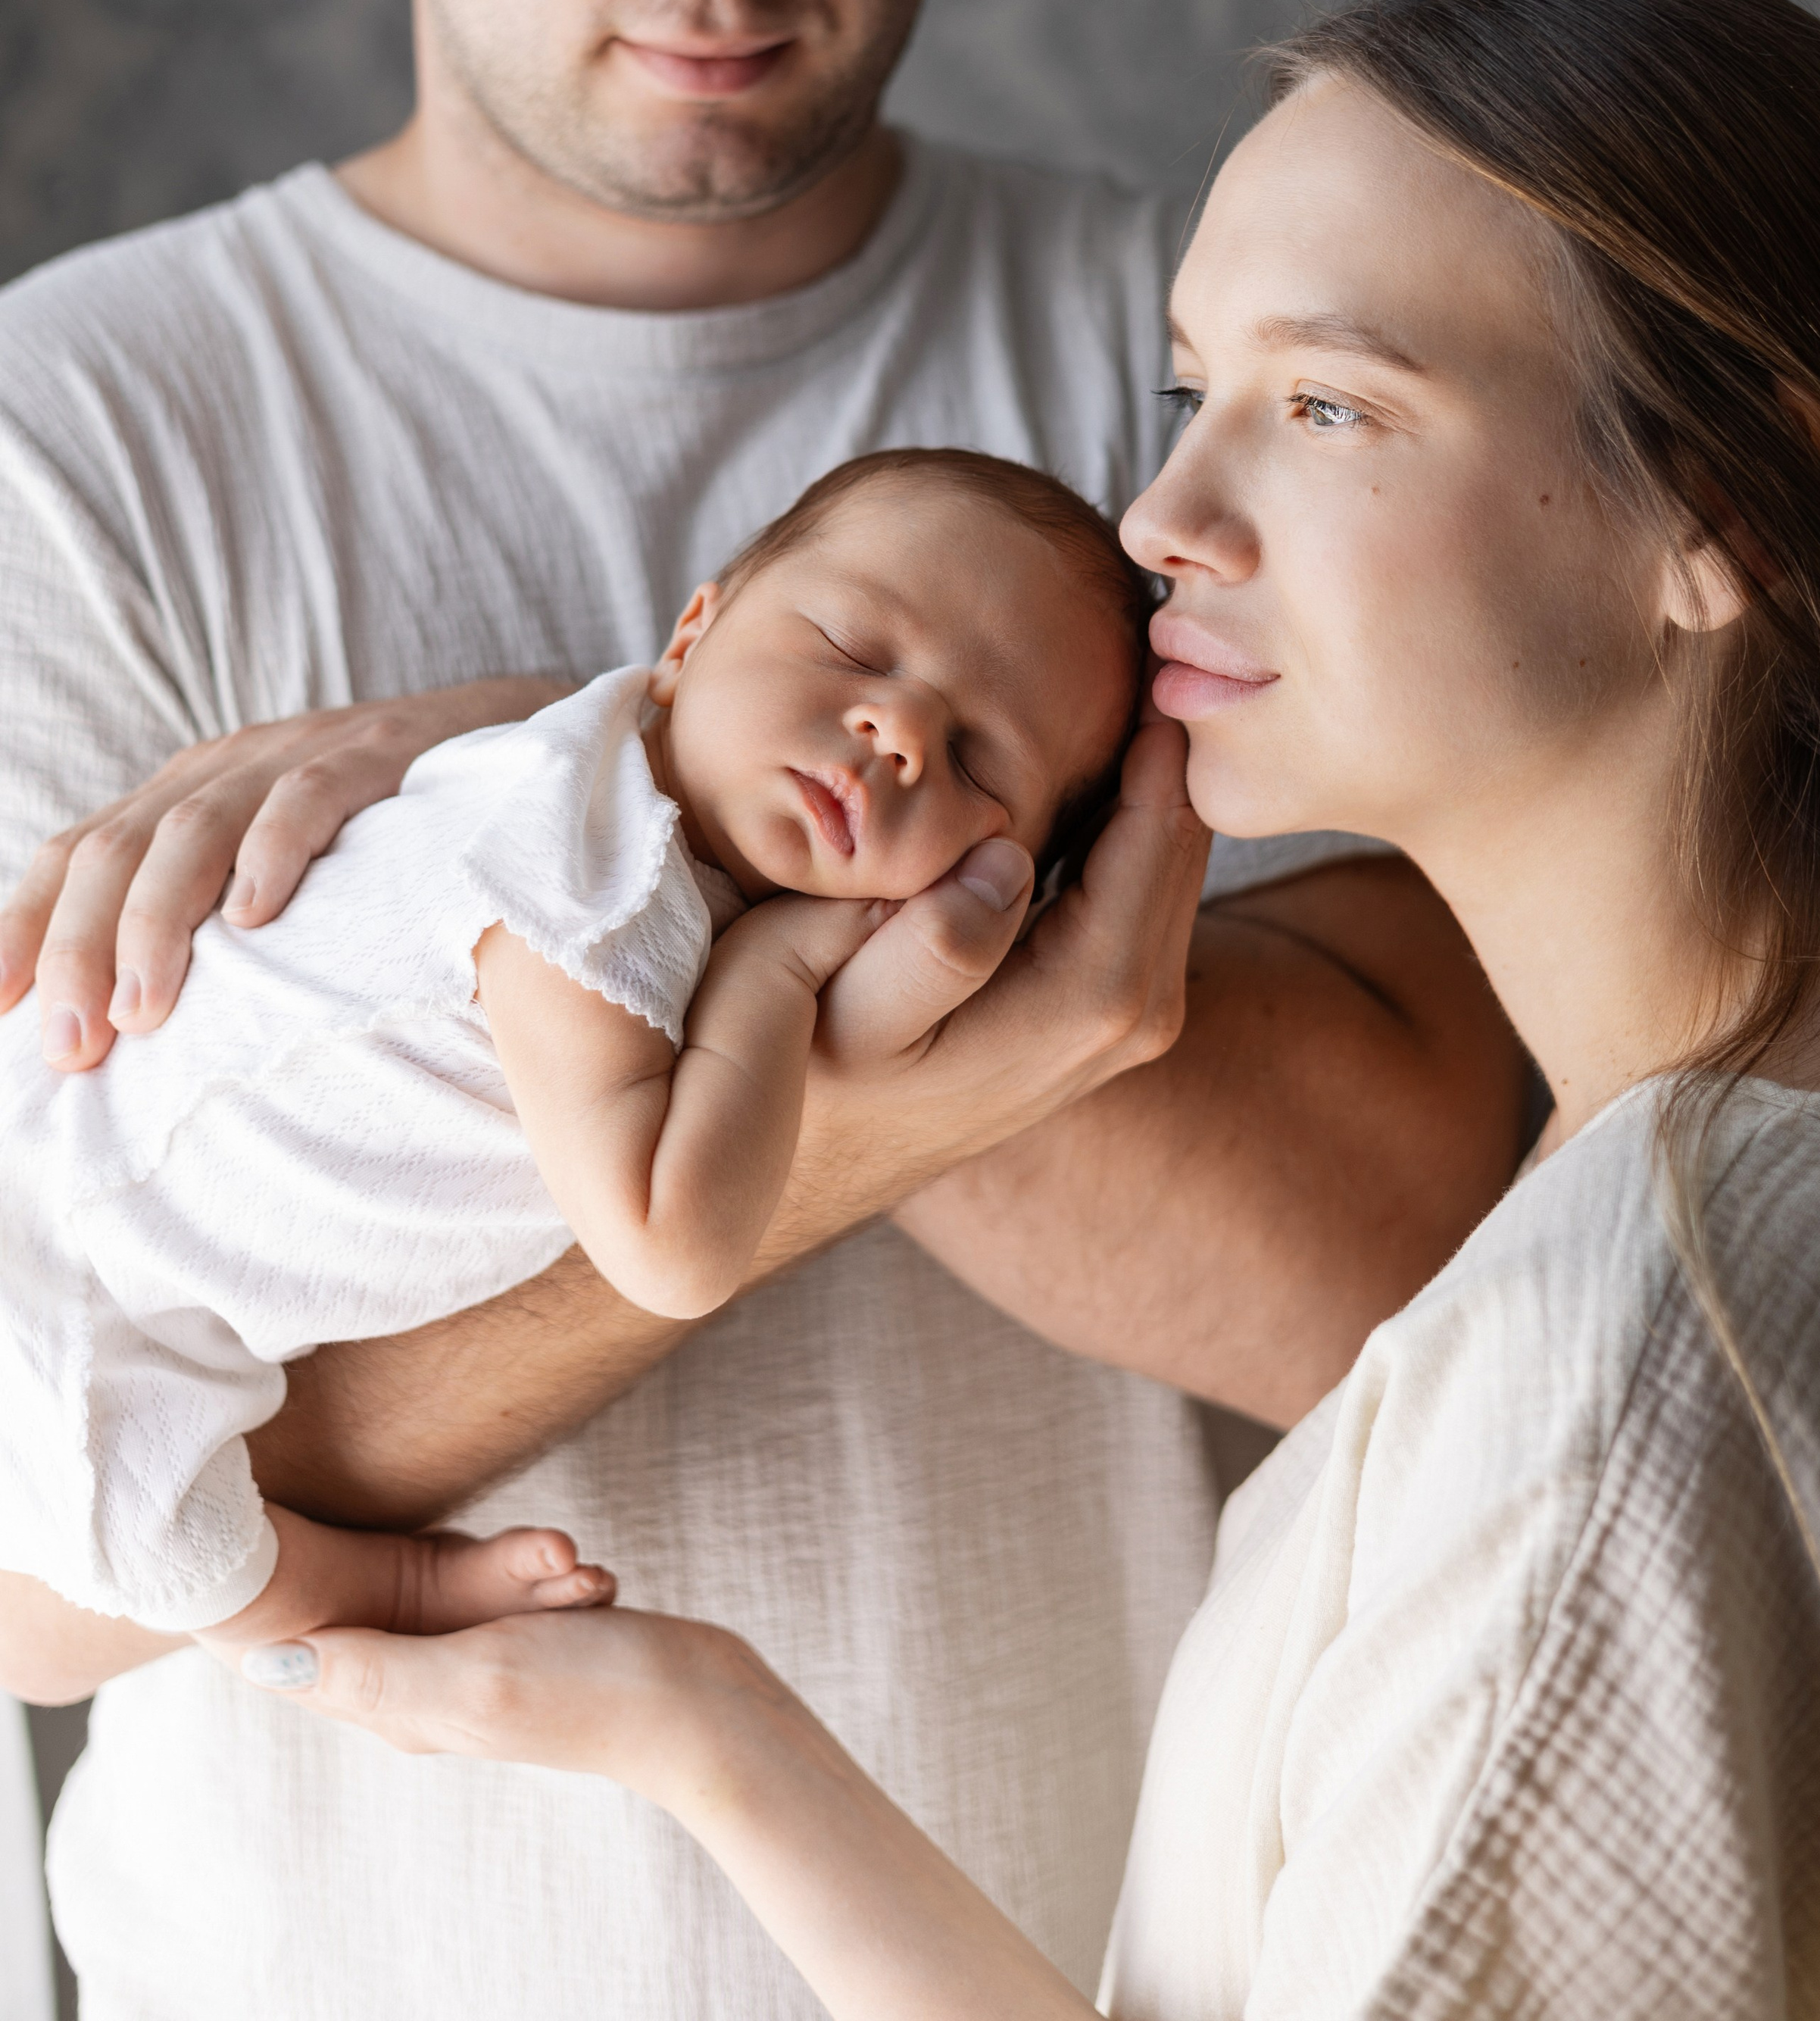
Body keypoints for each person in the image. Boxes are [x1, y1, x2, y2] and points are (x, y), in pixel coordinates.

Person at [0, 0, 1520, 2019]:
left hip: (1092, 1960)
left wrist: (532, 801)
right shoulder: (73, 442)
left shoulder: (1187, 356)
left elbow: (1401, 1276)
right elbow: (30, 1565)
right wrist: (902, 1042)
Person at [240, 0, 1820, 2019]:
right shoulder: (1733, 1212)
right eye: (1186, 394)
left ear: (1724, 505)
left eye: (1328, 406)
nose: (1163, 521)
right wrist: (710, 1736)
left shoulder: (1648, 1342)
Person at [0, 453, 1144, 1646]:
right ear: (693, 630)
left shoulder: (582, 776)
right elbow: (670, 1248)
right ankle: (378, 1588)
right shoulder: (581, 868)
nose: (896, 728)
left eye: (976, 762)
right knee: (156, 1541)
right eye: (854, 649)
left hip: (95, 1191)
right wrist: (778, 979)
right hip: (52, 1256)